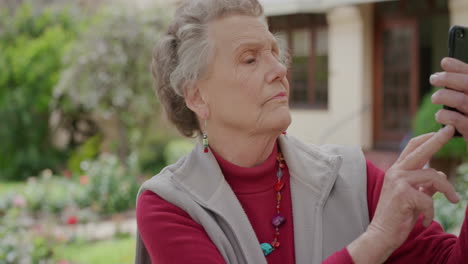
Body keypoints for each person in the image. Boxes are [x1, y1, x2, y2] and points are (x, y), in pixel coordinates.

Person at [135, 0, 468, 263]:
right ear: (196, 96)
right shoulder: (169, 204)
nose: (280, 70)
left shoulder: (353, 176)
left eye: (276, 54)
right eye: (250, 59)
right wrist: (376, 240)